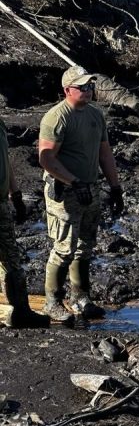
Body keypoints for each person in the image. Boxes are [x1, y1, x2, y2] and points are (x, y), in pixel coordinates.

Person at [39, 66, 125, 322]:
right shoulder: (56, 117)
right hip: (65, 191)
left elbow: (104, 153)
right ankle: (52, 301)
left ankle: (81, 297)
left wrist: (115, 186)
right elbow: (46, 159)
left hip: (90, 187)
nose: (88, 91)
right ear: (68, 90)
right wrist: (73, 182)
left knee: (85, 246)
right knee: (64, 247)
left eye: (90, 86)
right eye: (82, 87)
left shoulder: (95, 116)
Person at [0, 117, 50, 328]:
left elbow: (5, 161)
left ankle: (21, 311)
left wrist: (16, 194)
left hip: (1, 203)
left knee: (11, 260)